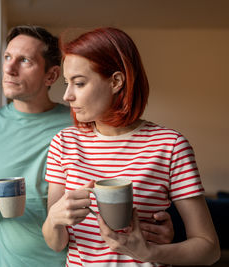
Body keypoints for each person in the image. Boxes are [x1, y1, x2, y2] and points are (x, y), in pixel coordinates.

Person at [0, 25, 175, 267]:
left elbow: (129, 179)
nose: (9, 68)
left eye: (24, 60)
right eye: (7, 57)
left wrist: (156, 236)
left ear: (51, 76)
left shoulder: (83, 123)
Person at [42, 27, 221, 266]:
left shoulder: (170, 145)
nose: (67, 95)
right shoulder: (63, 143)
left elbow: (209, 249)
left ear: (116, 81)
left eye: (79, 83)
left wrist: (150, 253)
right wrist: (53, 219)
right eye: (67, 83)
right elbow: (56, 243)